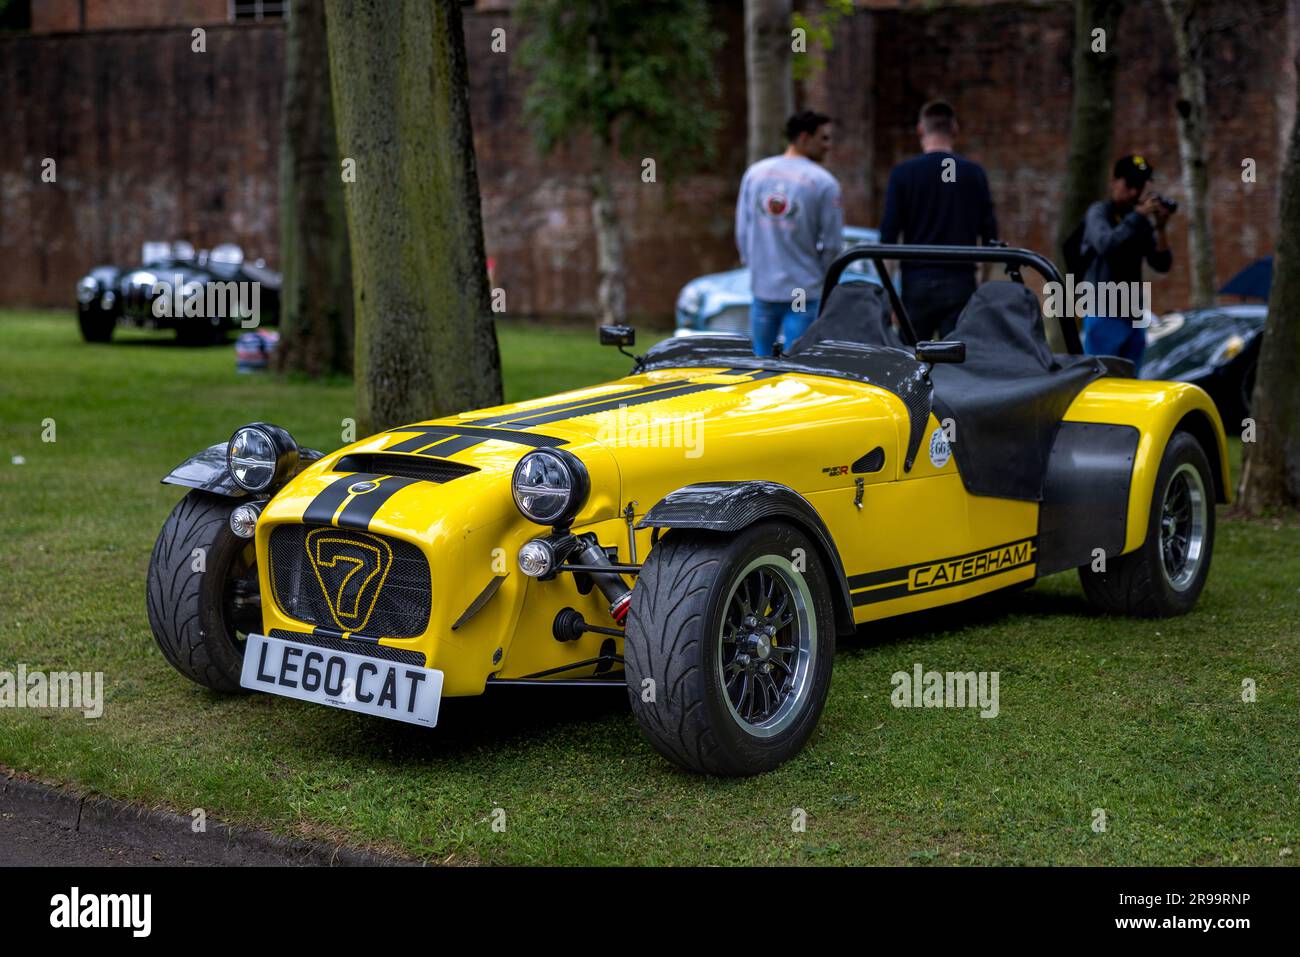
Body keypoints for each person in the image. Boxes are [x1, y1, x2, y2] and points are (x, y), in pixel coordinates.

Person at [879, 99, 998, 340]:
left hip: (916, 283)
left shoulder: (903, 174)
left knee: (910, 362)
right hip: (961, 282)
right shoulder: (974, 174)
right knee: (957, 363)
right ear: (954, 129)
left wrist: (889, 294)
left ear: (920, 130)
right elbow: (990, 237)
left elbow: (888, 238)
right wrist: (981, 284)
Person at [735, 110, 844, 357]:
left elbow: (743, 230)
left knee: (760, 361)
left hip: (763, 288)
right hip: (802, 290)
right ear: (805, 138)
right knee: (797, 364)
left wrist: (754, 266)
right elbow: (832, 244)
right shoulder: (824, 182)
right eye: (824, 138)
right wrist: (824, 277)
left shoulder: (755, 174)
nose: (828, 146)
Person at [1079, 154, 1173, 371]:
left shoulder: (1138, 219)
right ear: (1114, 182)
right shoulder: (1099, 213)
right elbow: (1106, 245)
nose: (1134, 192)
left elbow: (1161, 263)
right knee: (1099, 382)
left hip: (1133, 314)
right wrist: (1138, 216)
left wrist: (1160, 228)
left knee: (1130, 383)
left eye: (1139, 186)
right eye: (1129, 185)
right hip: (1103, 310)